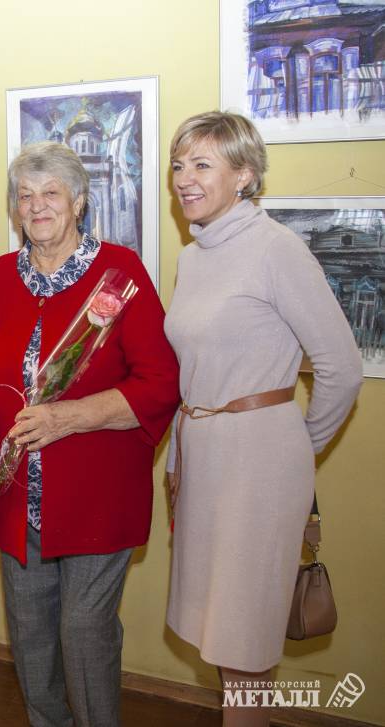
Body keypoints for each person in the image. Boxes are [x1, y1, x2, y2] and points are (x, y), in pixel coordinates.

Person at [0, 141, 179, 727]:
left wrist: (68, 417)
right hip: (18, 496)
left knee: (83, 632)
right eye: (25, 196)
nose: (36, 207)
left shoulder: (120, 274)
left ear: (79, 203)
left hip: (96, 497)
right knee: (31, 636)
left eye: (50, 193)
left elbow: (161, 383)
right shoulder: (0, 277)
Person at [165, 111, 362, 727]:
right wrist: (179, 456)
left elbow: (342, 367)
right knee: (221, 633)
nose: (184, 179)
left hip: (258, 463)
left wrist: (296, 450)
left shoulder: (278, 248)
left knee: (245, 638)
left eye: (202, 164)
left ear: (244, 175)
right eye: (178, 164)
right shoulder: (194, 258)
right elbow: (192, 369)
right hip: (203, 458)